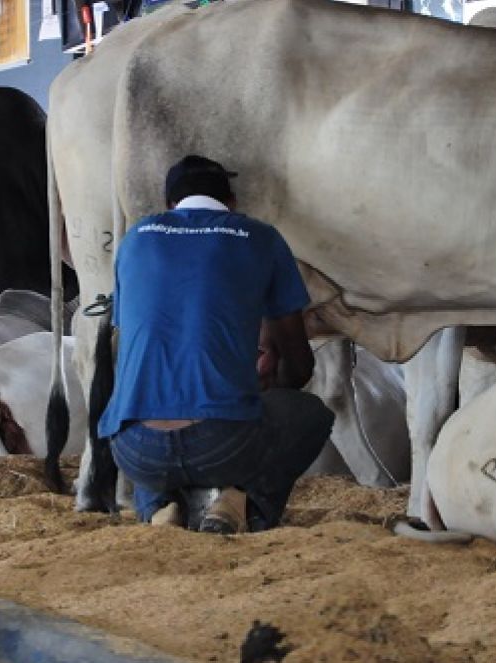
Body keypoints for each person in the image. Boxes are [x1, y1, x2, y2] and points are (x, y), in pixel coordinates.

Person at [98, 155, 335, 534]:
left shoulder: (135, 240)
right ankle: (241, 500)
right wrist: (259, 389)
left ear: (170, 205)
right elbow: (299, 363)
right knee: (311, 414)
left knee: (147, 409)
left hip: (133, 451)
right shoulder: (260, 237)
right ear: (232, 202)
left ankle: (160, 506)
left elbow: (136, 339)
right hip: (221, 442)